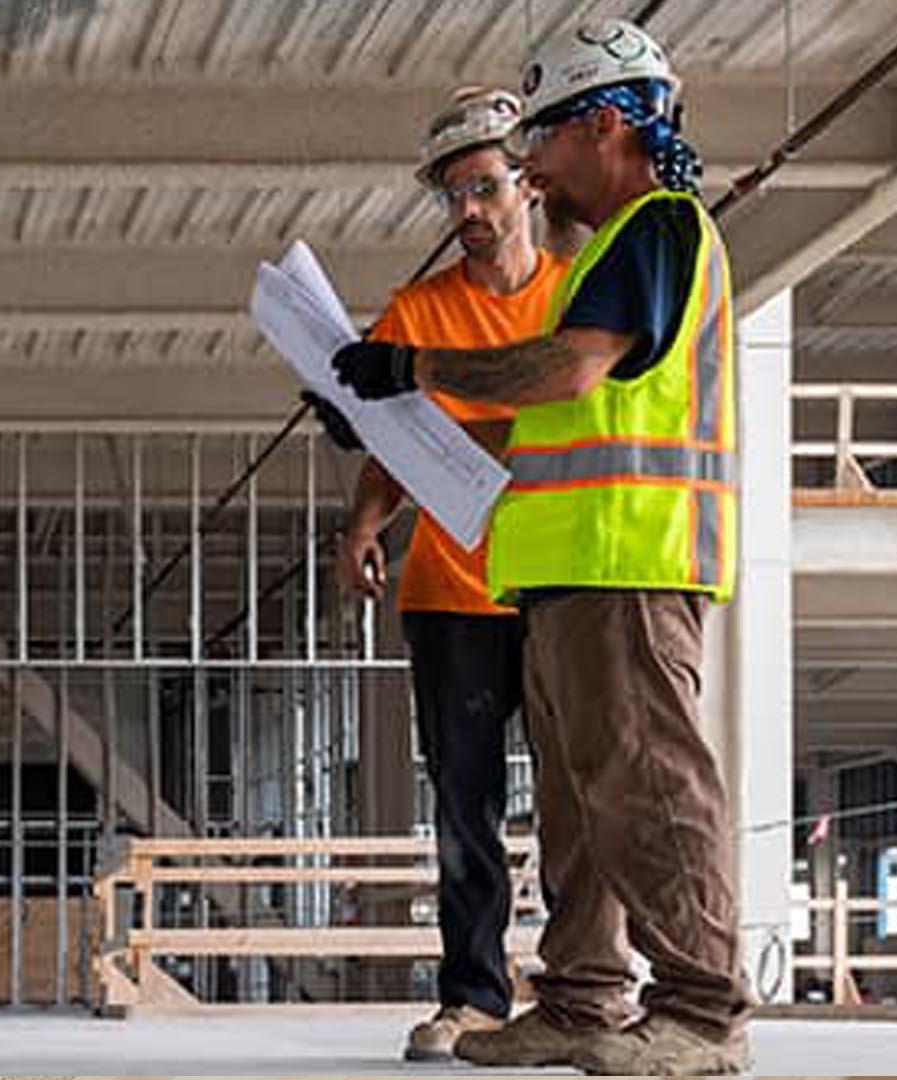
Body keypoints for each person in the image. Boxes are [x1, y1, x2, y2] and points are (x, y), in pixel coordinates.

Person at [332, 19, 751, 1075]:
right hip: (565, 573)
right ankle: (580, 1001)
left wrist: (419, 374)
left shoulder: (658, 227)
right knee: (583, 807)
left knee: (651, 790)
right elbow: (537, 408)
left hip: (632, 562)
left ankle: (703, 1012)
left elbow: (567, 372)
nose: (529, 171)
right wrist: (387, 417)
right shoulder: (608, 248)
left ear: (605, 125)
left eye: (542, 145)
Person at [304, 86, 583, 1062]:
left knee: (575, 798)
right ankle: (472, 997)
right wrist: (364, 524)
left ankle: (584, 993)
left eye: (482, 188)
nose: (466, 212)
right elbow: (395, 437)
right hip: (449, 595)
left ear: (528, 188)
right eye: (451, 195)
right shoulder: (422, 310)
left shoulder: (573, 301)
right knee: (464, 806)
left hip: (554, 583)